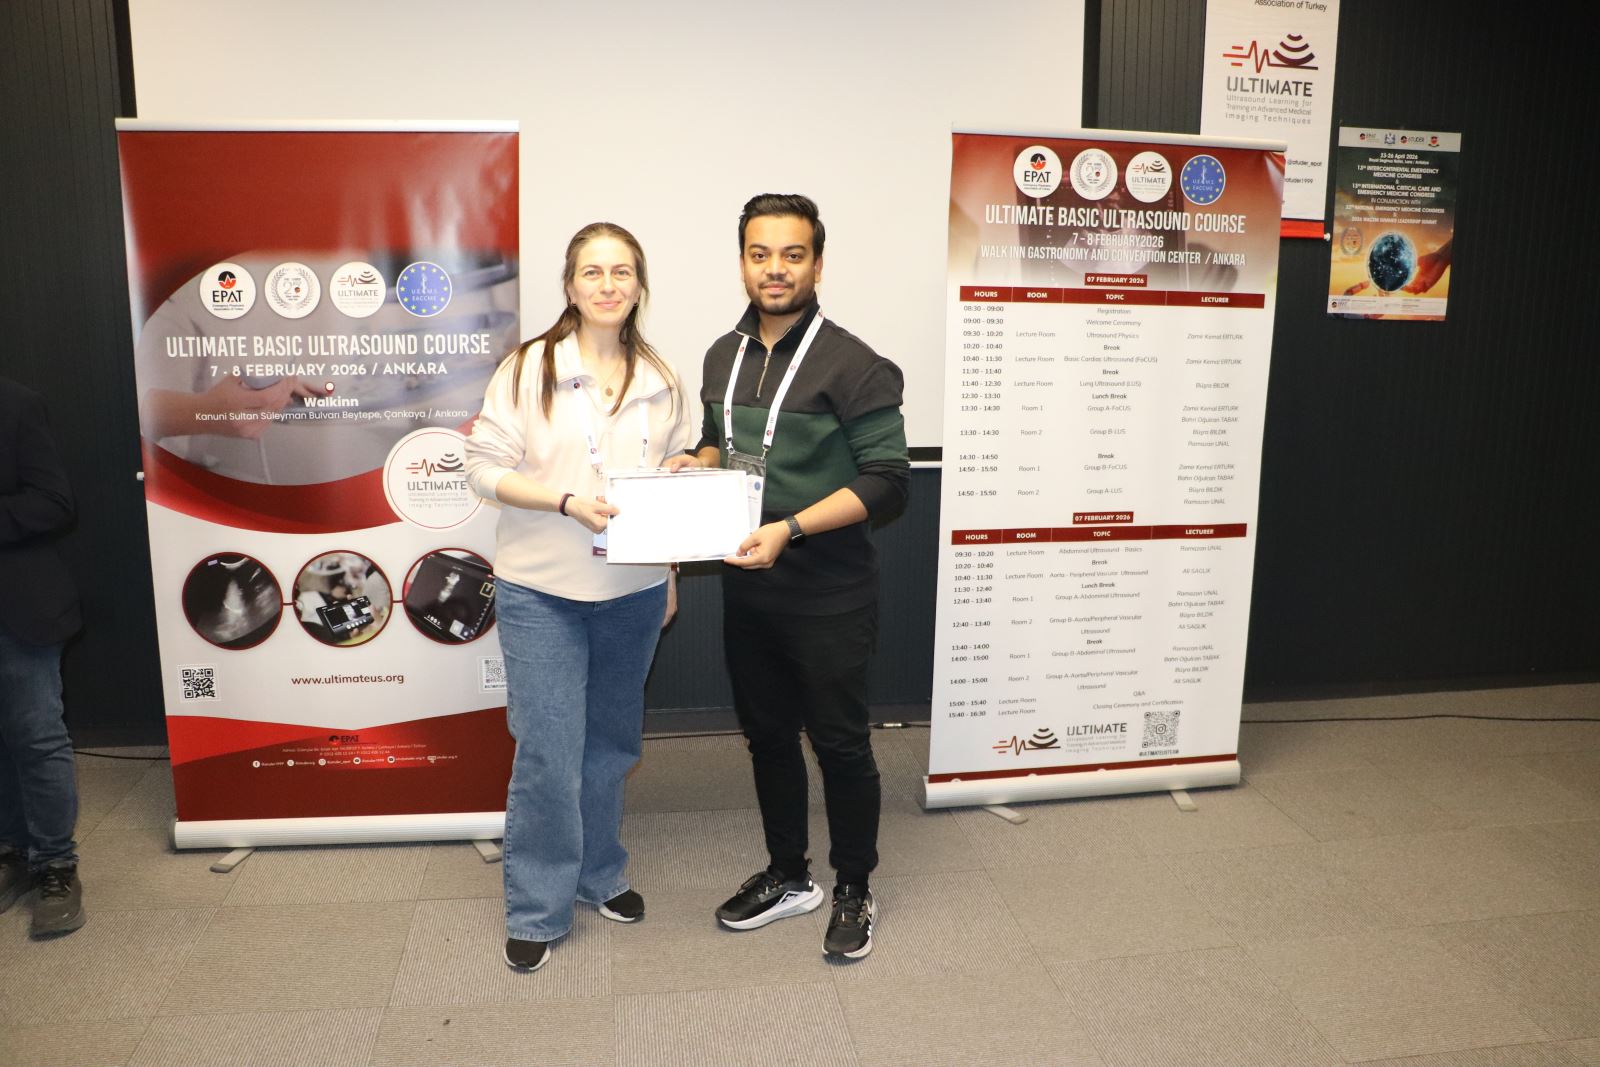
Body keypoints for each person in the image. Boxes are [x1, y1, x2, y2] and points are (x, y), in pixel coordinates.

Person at [666, 194, 909, 959]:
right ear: (743, 261)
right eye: (761, 253)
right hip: (750, 587)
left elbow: (888, 481)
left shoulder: (854, 363)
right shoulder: (722, 354)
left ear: (817, 264)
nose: (776, 269)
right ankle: (789, 873)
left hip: (829, 591)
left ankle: (854, 886)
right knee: (767, 735)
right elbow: (721, 441)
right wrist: (694, 462)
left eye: (792, 254)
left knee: (840, 744)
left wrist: (791, 528)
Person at [465, 223, 690, 973]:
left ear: (639, 285)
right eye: (592, 271)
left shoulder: (660, 374)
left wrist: (669, 573)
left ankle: (599, 874)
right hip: (543, 592)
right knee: (549, 752)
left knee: (611, 746)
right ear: (569, 285)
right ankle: (538, 906)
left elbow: (674, 475)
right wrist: (563, 502)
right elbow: (482, 469)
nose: (607, 285)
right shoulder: (529, 369)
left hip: (633, 590)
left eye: (622, 271)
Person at [0, 376, 86, 938]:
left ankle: (56, 865)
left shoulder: (16, 405)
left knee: (34, 736)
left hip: (18, 606)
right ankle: (12, 850)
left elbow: (55, 503)